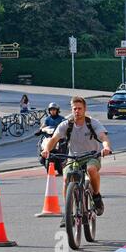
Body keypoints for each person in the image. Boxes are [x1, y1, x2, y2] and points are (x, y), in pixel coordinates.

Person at [41, 96, 112, 227]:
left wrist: (106, 147)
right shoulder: (66, 124)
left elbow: (103, 137)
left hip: (91, 156)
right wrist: (46, 149)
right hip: (73, 158)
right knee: (66, 179)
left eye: (80, 108)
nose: (77, 111)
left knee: (91, 169)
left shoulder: (92, 123)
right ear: (72, 110)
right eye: (74, 109)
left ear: (85, 109)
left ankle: (96, 196)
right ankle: (67, 213)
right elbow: (54, 139)